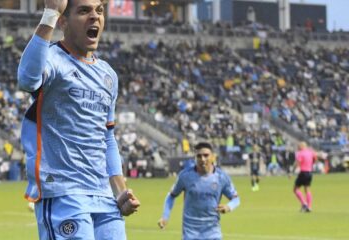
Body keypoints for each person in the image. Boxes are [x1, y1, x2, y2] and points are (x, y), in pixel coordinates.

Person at [17, 0, 140, 239]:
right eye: (84, 11)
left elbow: (107, 138)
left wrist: (120, 192)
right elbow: (26, 78)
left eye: (99, 10)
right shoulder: (52, 59)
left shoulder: (108, 75)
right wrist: (50, 13)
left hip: (104, 196)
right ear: (63, 22)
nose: (95, 16)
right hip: (64, 192)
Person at [158, 142, 240, 240]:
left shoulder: (221, 177)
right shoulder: (185, 176)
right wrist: (165, 216)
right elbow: (171, 195)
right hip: (190, 233)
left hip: (213, 233)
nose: (202, 159)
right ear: (195, 158)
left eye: (206, 155)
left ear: (213, 156)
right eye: (199, 156)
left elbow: (236, 199)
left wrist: (228, 207)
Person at [293, 142, 316, 213]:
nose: (298, 147)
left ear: (302, 146)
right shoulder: (311, 152)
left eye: (298, 146)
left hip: (303, 172)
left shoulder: (300, 153)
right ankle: (309, 207)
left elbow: (297, 163)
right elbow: (314, 159)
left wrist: (292, 170)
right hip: (310, 172)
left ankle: (304, 204)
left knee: (295, 189)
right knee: (307, 189)